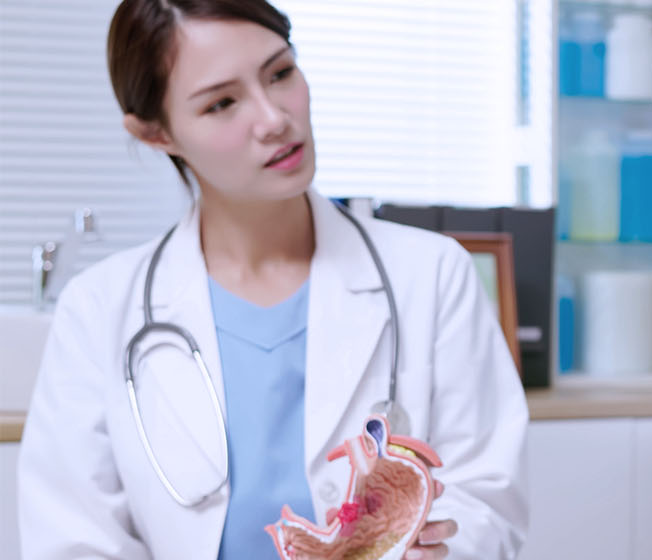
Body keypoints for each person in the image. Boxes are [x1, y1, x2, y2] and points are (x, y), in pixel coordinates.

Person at [17, 1, 529, 558]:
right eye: (222, 103)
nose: (274, 119)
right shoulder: (98, 310)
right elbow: (73, 538)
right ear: (155, 132)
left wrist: (437, 549)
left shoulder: (432, 275)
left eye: (281, 73)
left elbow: (486, 500)